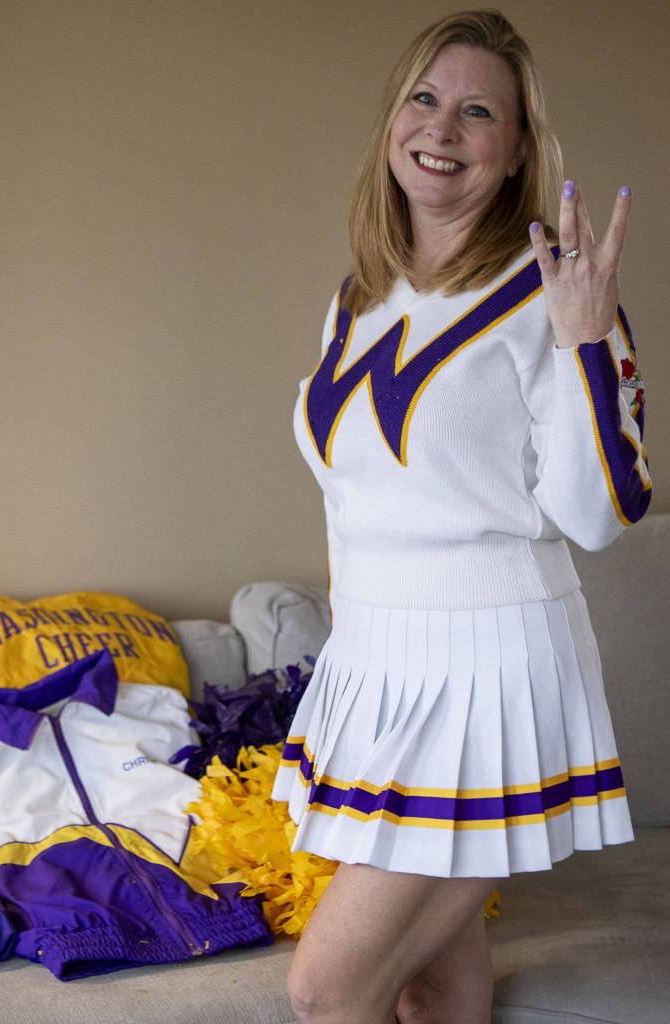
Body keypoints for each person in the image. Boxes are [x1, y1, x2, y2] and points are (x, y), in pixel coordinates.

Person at [271, 10, 650, 1024]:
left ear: (519, 145)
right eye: (425, 99)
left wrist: (583, 343)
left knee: (324, 989)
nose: (442, 127)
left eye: (479, 110)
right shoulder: (356, 296)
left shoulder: (555, 292)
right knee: (432, 981)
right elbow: (354, 501)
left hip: (487, 672)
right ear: (394, 119)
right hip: (378, 667)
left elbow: (604, 510)